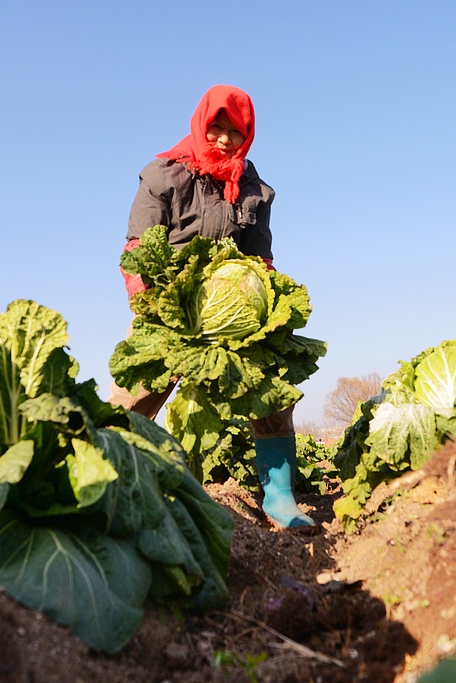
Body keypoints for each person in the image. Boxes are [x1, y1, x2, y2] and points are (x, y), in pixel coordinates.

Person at [108, 84, 315, 530]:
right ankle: (100, 480)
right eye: (216, 127)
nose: (224, 139)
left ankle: (279, 497)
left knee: (273, 389)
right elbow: (137, 247)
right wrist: (148, 299)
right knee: (137, 390)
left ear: (247, 137)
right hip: (168, 306)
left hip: (236, 314)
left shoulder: (255, 190)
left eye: (235, 132)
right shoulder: (164, 174)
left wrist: (265, 305)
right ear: (202, 124)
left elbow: (262, 259)